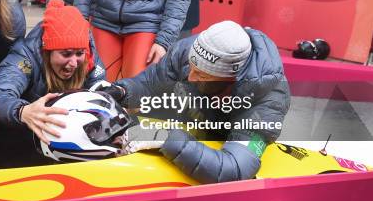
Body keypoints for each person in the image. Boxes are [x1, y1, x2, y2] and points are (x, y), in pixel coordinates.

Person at [102, 21, 290, 184]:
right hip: (192, 135)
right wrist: (121, 91)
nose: (190, 77)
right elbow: (151, 84)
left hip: (222, 153)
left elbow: (234, 169)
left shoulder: (268, 100)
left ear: (229, 78)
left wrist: (168, 139)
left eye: (201, 75)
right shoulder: (192, 50)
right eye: (191, 68)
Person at [0, 0, 107, 143]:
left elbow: (102, 95)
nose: (74, 63)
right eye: (66, 54)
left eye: (79, 53)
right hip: (26, 136)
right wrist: (22, 111)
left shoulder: (89, 57)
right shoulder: (25, 57)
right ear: (47, 51)